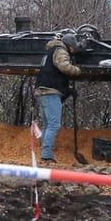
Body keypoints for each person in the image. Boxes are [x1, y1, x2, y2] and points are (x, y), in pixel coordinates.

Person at [33, 30, 87, 164]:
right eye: (73, 48)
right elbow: (64, 67)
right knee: (54, 125)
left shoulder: (49, 51)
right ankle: (46, 155)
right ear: (69, 45)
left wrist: (67, 90)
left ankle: (44, 154)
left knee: (46, 125)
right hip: (51, 91)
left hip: (42, 90)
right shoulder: (61, 50)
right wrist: (78, 70)